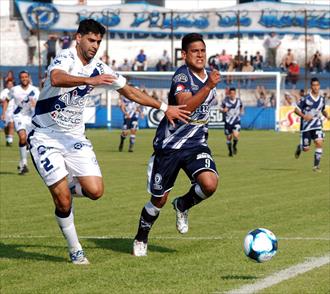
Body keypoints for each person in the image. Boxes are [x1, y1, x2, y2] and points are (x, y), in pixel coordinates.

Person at [27, 19, 189, 265]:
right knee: (62, 201)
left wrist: (164, 107)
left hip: (74, 138)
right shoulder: (65, 57)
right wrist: (88, 81)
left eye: (98, 42)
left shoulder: (101, 68)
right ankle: (76, 249)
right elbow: (57, 78)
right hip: (44, 136)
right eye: (91, 40)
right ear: (78, 37)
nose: (94, 46)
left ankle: (65, 188)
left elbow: (130, 92)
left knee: (95, 191)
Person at [132, 33, 221, 257]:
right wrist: (208, 86)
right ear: (184, 55)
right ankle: (141, 236)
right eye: (194, 51)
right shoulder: (181, 77)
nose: (200, 55)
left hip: (196, 144)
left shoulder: (209, 77)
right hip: (170, 146)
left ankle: (182, 204)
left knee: (209, 184)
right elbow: (186, 107)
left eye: (202, 50)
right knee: (158, 200)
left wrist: (208, 85)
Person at [294, 77, 328, 172]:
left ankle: (316, 167)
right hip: (306, 126)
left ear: (319, 86)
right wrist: (304, 116)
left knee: (319, 143)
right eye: (314, 85)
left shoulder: (322, 99)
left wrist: (327, 116)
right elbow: (296, 110)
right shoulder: (305, 98)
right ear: (311, 87)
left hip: (317, 124)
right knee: (306, 149)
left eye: (317, 85)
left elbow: (322, 110)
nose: (316, 87)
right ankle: (300, 147)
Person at [10, 71, 39, 174]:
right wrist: (5, 113)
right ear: (20, 78)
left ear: (29, 77)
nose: (24, 79)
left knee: (28, 141)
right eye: (22, 77)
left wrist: (34, 104)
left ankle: (21, 163)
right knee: (22, 137)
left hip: (30, 117)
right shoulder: (14, 89)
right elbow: (7, 100)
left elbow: (37, 104)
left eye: (26, 77)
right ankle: (25, 164)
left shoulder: (35, 90)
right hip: (19, 116)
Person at [118, 88, 144, 152]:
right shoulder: (124, 98)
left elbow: (137, 107)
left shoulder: (136, 98)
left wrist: (141, 113)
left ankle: (131, 147)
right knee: (125, 133)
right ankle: (122, 141)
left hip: (134, 117)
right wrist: (125, 113)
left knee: (133, 131)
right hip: (127, 117)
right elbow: (122, 107)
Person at [221, 87, 244, 157]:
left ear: (235, 94)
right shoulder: (225, 101)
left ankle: (234, 146)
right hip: (228, 122)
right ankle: (230, 151)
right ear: (229, 94)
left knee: (236, 135)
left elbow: (241, 107)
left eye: (234, 93)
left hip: (236, 120)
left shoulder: (239, 101)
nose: (232, 95)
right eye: (231, 93)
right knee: (228, 138)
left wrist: (241, 111)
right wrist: (223, 110)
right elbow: (220, 109)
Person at [0, 80, 15, 146]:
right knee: (6, 126)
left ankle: (10, 141)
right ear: (6, 85)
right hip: (6, 111)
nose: (10, 85)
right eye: (9, 84)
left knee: (11, 124)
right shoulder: (4, 91)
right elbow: (1, 99)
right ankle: (7, 138)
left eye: (11, 84)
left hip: (13, 110)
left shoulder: (15, 90)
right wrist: (3, 101)